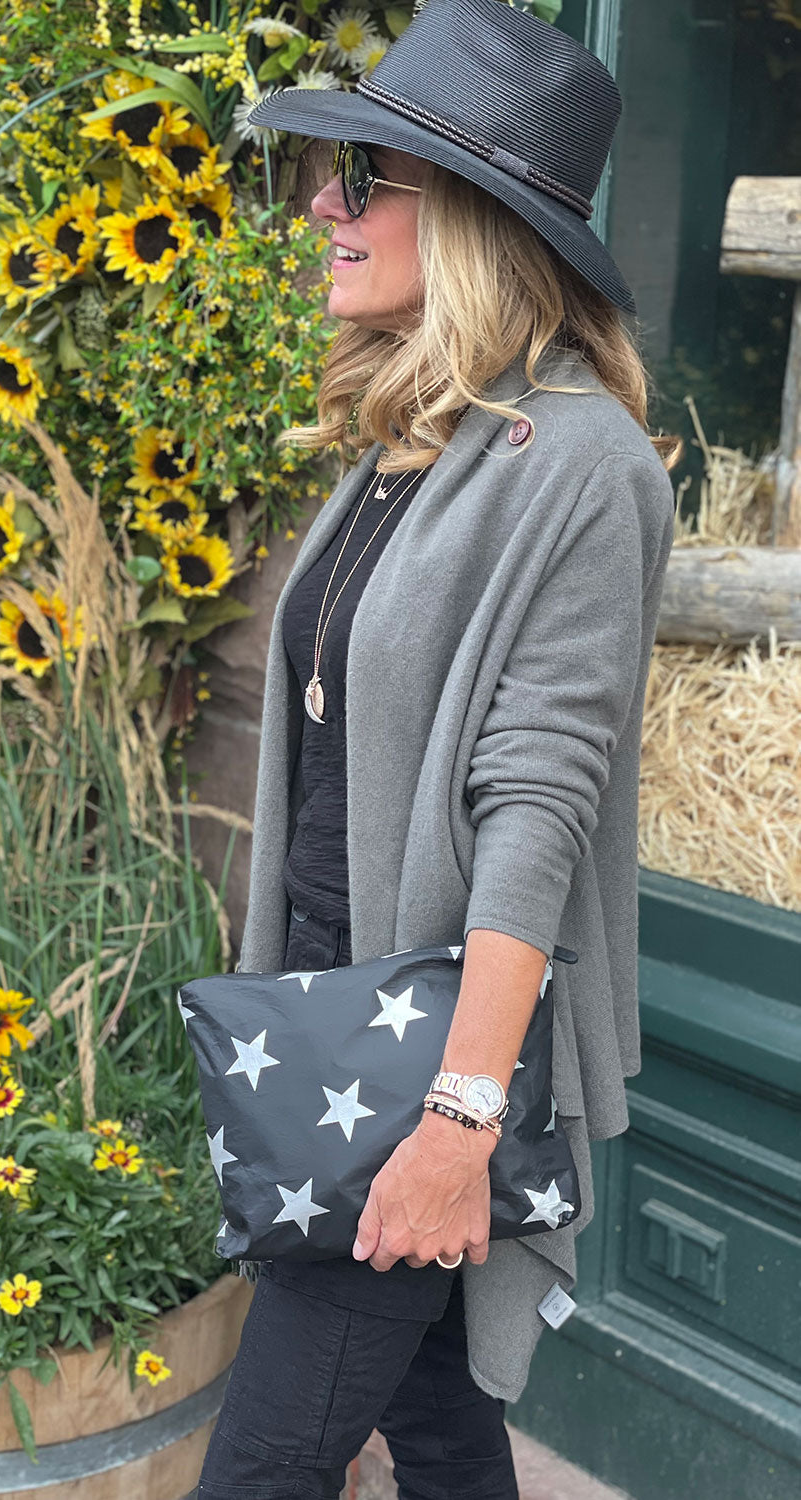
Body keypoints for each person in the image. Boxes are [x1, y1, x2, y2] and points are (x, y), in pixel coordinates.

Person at [194, 2, 681, 1497]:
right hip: (334, 1019)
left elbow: (538, 800)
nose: (322, 208)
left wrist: (458, 1123)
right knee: (442, 1426)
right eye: (328, 172)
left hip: (422, 1064)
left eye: (363, 177)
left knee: (261, 1468)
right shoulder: (424, 437)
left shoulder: (581, 463)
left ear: (470, 218)